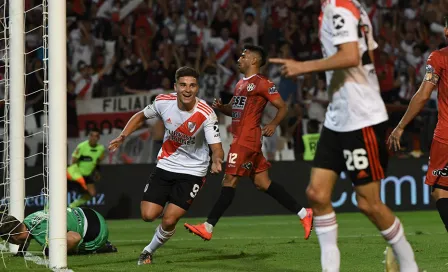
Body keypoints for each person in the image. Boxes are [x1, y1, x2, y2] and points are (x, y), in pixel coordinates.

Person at [269, 1, 419, 272]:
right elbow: (368, 54)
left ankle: (409, 265)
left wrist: (303, 67)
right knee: (316, 193)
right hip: (338, 117)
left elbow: (350, 55)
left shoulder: (338, 8)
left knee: (368, 203)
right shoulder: (353, 6)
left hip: (360, 118)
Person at [184, 44, 313, 241]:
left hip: (246, 139)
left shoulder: (262, 83)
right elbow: (236, 110)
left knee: (229, 181)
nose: (239, 58)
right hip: (244, 138)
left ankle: (208, 227)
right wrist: (223, 108)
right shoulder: (240, 84)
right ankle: (305, 214)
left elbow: (282, 107)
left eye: (243, 56)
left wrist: (273, 124)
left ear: (254, 60)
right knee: (263, 183)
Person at [108, 66, 224, 265]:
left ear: (197, 88)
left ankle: (148, 250)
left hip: (193, 171)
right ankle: (165, 215)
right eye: (183, 85)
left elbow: (217, 147)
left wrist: (216, 160)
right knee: (148, 215)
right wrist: (123, 135)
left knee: (169, 220)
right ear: (175, 87)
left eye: (192, 85)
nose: (187, 90)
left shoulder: (206, 113)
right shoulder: (163, 102)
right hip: (166, 165)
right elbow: (140, 116)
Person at [389, 17, 448, 235]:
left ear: (446, 31)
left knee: (441, 192)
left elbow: (424, 95)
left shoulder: (439, 57)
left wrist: (401, 126)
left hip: (446, 137)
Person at [0, 207, 116, 255]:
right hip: (87, 212)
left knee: (54, 250)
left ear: (13, 238)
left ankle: (103, 247)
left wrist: (53, 252)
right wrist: (22, 251)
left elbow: (75, 238)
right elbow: (27, 234)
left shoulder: (42, 234)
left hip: (98, 233)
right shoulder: (28, 220)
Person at [67, 128, 105, 208]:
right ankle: (47, 208)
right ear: (89, 136)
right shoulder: (82, 146)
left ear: (98, 138)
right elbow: (73, 160)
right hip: (76, 174)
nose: (93, 138)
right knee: (60, 192)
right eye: (92, 135)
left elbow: (98, 161)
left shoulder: (100, 149)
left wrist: (97, 172)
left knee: (92, 194)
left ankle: (71, 206)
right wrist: (74, 174)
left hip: (87, 175)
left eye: (96, 136)